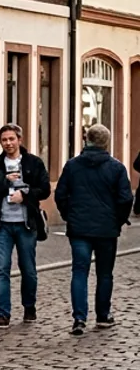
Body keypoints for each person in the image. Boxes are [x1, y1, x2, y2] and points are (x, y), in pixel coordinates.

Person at [54, 124, 131, 335]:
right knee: (105, 273)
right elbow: (125, 199)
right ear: (106, 142)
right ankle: (103, 315)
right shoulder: (116, 168)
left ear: (86, 140)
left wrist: (68, 215)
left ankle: (79, 318)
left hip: (79, 228)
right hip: (107, 229)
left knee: (79, 271)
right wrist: (118, 220)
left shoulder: (72, 166)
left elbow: (60, 195)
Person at [0, 124, 50, 329]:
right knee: (1, 269)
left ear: (19, 140)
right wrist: (5, 183)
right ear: (0, 142)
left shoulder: (33, 163)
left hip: (26, 224)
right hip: (1, 224)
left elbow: (44, 189)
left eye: (12, 139)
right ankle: (2, 314)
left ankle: (29, 306)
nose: (8, 143)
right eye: (4, 140)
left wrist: (25, 194)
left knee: (28, 269)